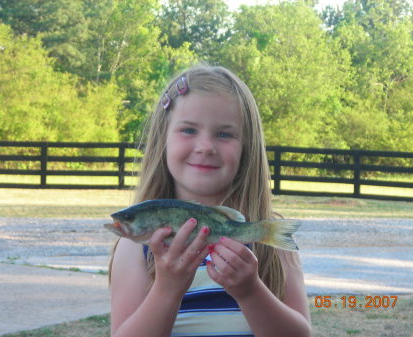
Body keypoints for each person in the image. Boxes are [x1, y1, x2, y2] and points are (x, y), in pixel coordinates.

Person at [109, 65, 311, 337]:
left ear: (246, 148)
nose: (206, 146)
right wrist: (167, 290)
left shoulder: (267, 238)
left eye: (225, 134)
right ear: (163, 140)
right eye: (189, 130)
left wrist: (250, 292)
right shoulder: (136, 248)